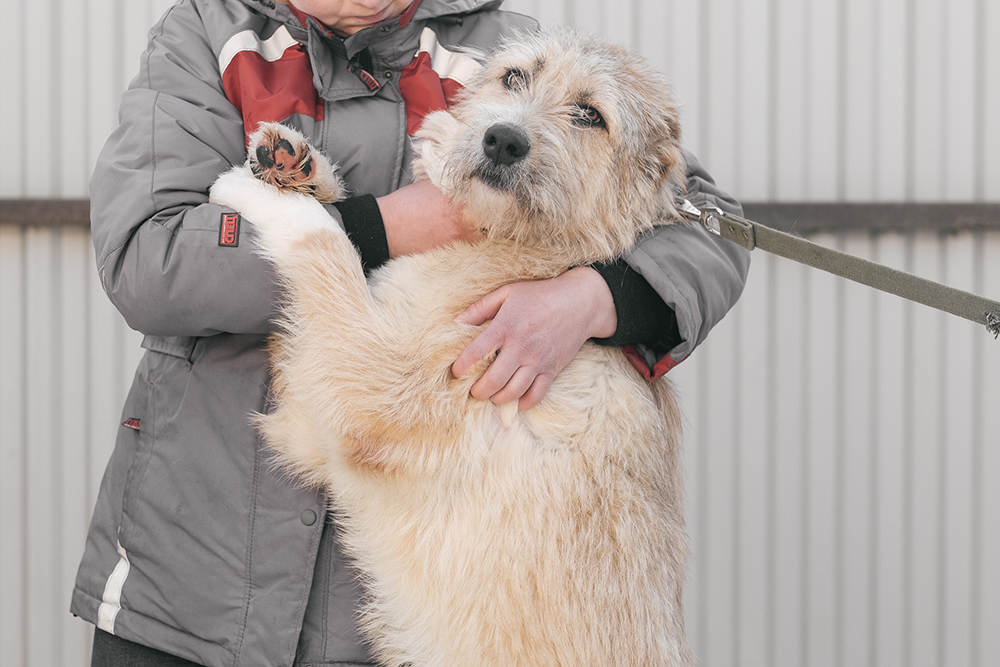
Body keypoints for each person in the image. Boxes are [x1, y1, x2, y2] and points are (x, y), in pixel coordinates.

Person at [74, 1, 751, 665]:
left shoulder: (498, 43)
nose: (520, 108)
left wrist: (594, 296)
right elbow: (145, 257)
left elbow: (709, 221)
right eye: (514, 84)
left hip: (376, 628)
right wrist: (381, 227)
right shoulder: (210, 34)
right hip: (189, 591)